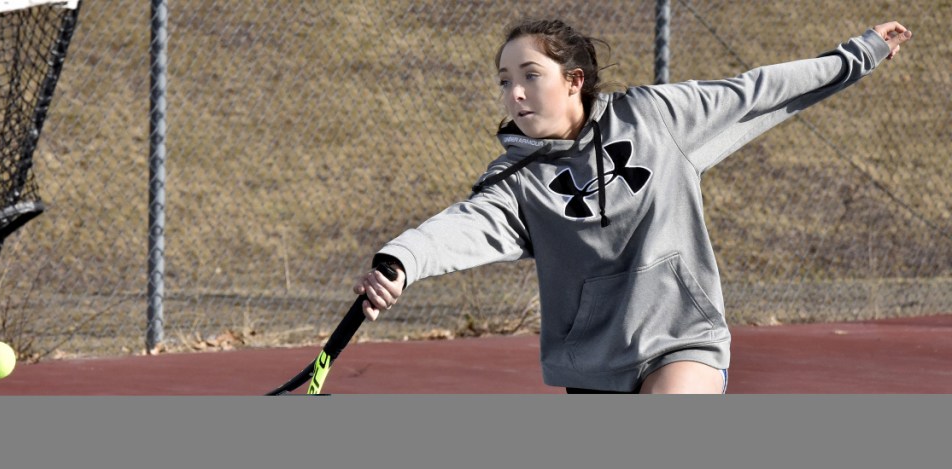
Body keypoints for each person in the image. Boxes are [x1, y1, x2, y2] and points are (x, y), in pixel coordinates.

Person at [353, 18, 913, 394]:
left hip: (681, 338)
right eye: (505, 81)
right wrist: (401, 261)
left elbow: (757, 90)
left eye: (530, 76)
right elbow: (460, 227)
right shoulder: (515, 180)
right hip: (594, 366)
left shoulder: (655, 117)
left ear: (574, 81)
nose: (514, 93)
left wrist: (858, 54)